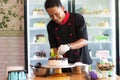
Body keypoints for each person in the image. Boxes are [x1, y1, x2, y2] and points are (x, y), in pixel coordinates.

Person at [44, 0, 92, 72]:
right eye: (51, 16)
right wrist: (56, 57)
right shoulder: (50, 26)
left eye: (57, 14)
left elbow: (84, 40)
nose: (55, 18)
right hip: (63, 66)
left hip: (81, 63)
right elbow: (54, 47)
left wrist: (68, 46)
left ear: (63, 8)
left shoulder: (77, 18)